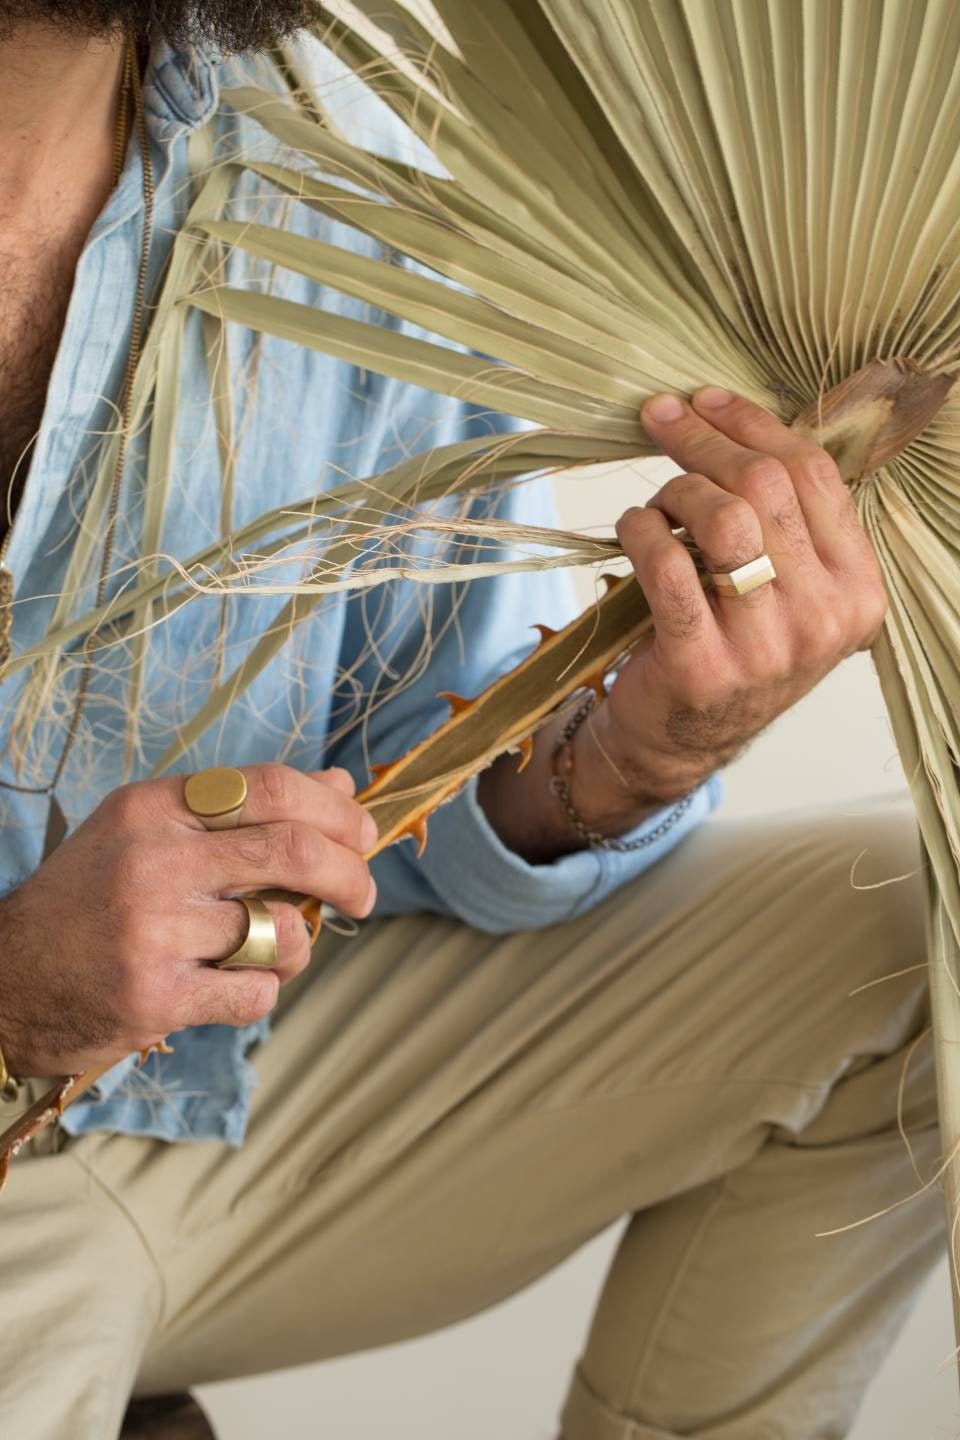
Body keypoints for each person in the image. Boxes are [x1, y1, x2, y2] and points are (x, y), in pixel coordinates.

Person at [0, 6, 943, 1440]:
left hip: (223, 1102)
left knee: (913, 957)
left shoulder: (329, 172)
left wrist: (634, 761)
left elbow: (398, 780)